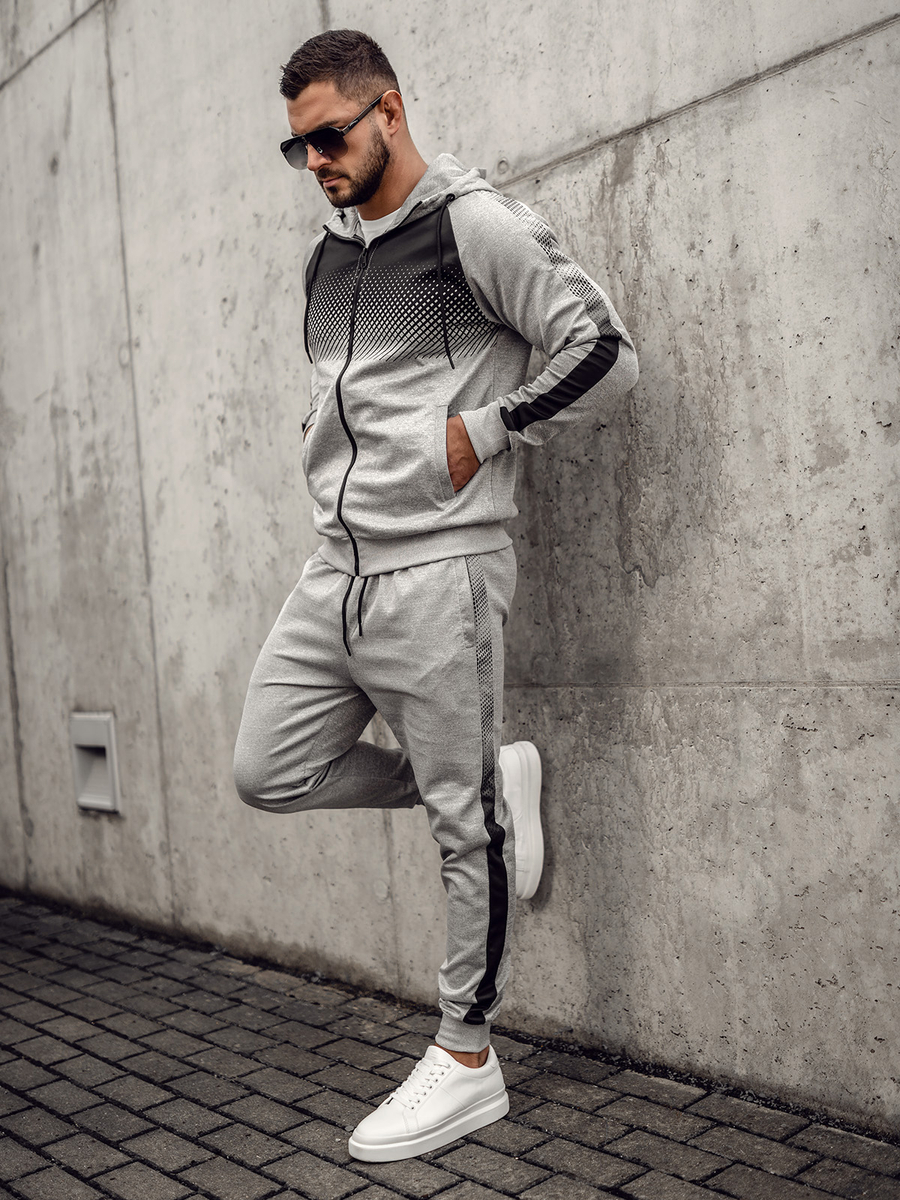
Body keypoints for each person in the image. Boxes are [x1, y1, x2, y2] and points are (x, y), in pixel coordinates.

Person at [233, 28, 638, 1163]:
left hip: (439, 570)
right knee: (269, 769)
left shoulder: (474, 228)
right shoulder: (327, 260)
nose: (316, 160)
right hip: (335, 570)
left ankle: (467, 1058)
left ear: (390, 111)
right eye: (298, 146)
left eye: (330, 136)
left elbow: (605, 354)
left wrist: (489, 428)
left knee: (465, 836)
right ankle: (481, 784)